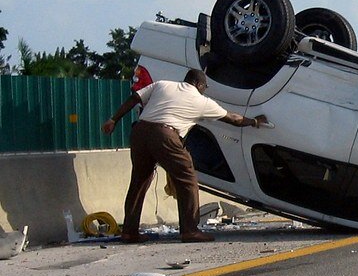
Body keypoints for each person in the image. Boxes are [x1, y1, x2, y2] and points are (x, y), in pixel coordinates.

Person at [102, 69, 268, 243]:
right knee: (187, 180)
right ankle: (190, 230)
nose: (205, 90)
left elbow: (134, 98)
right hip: (165, 135)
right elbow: (233, 118)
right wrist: (254, 121)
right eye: (205, 87)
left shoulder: (162, 85)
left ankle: (129, 232)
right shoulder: (201, 101)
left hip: (140, 132)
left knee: (139, 181)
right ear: (199, 84)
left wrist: (113, 119)